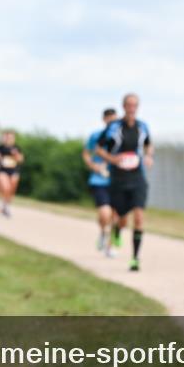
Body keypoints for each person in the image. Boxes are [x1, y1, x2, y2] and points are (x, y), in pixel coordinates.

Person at [95, 94, 153, 272]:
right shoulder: (114, 127)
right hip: (118, 178)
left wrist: (149, 156)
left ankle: (135, 259)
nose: (131, 108)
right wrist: (112, 159)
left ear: (138, 107)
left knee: (138, 217)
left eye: (134, 105)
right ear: (123, 106)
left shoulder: (143, 126)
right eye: (128, 105)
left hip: (137, 178)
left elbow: (149, 145)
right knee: (120, 218)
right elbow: (98, 148)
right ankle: (117, 231)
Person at [83, 108, 119, 257]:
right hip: (99, 180)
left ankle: (109, 247)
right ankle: (103, 232)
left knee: (115, 216)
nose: (112, 122)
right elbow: (86, 153)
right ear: (104, 119)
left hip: (117, 180)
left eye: (114, 119)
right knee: (105, 213)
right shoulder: (96, 136)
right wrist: (93, 166)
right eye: (109, 119)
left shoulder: (120, 136)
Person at [0, 131, 24, 218]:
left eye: (11, 137)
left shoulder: (17, 148)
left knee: (12, 189)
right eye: (8, 137)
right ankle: (4, 205)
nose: (9, 139)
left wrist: (16, 155)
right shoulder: (0, 148)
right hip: (2, 170)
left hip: (14, 171)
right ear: (5, 138)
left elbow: (21, 160)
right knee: (6, 187)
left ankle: (6, 206)